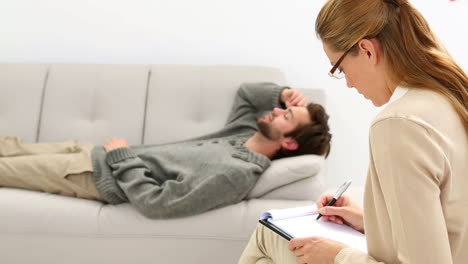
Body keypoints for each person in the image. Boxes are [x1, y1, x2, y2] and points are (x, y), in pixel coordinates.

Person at [239, 0, 468, 263]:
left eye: (340, 68)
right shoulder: (453, 97)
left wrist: (338, 256)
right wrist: (370, 221)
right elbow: (450, 224)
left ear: (367, 50)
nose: (348, 83)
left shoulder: (399, 124)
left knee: (266, 234)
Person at [0, 82, 332, 219]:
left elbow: (160, 204)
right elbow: (248, 93)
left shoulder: (237, 174)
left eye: (285, 116)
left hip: (93, 175)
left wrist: (121, 158)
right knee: (9, 146)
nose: (276, 110)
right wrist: (287, 94)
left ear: (289, 143)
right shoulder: (244, 132)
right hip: (91, 152)